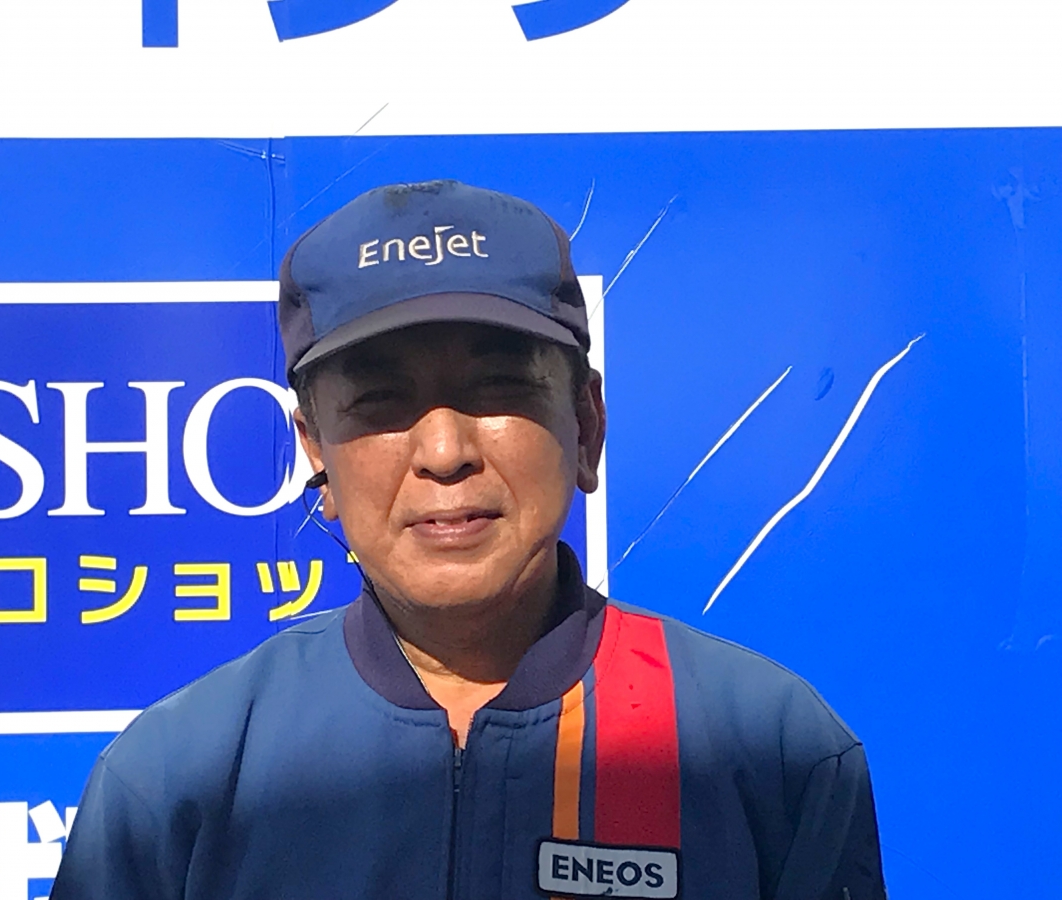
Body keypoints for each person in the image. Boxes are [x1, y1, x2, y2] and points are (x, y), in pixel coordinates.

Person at [51, 179, 885, 900]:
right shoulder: (178, 777)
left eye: (497, 388)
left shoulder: (769, 751)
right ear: (317, 453)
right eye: (381, 401)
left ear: (587, 426)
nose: (445, 452)